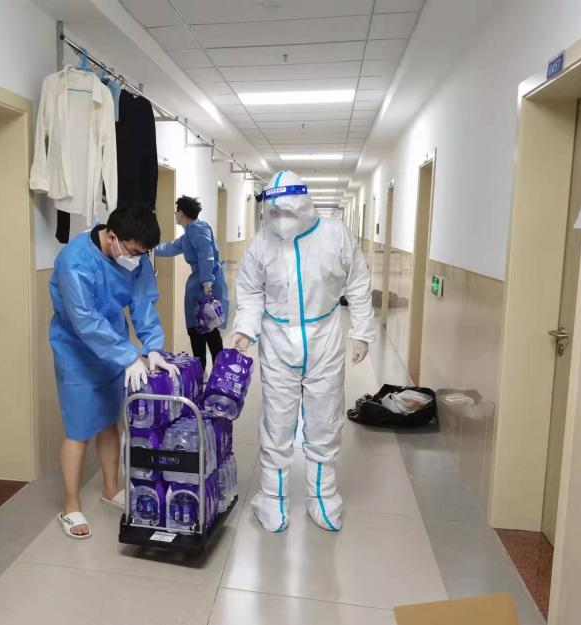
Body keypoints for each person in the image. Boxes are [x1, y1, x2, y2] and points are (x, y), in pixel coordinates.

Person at [232, 170, 374, 533]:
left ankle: (322, 497)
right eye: (275, 212)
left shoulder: (334, 235)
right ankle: (272, 499)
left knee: (325, 421)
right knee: (277, 423)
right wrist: (244, 328)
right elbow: (250, 291)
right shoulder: (261, 245)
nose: (281, 219)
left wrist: (361, 332)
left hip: (324, 337)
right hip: (277, 340)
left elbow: (359, 282)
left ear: (304, 206)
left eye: (288, 211)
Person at [49, 208, 179, 539]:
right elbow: (85, 320)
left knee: (110, 420)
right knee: (79, 428)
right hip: (76, 350)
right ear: (112, 237)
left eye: (142, 253)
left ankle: (111, 488)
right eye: (133, 251)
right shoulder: (74, 262)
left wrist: (152, 347)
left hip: (114, 348)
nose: (136, 258)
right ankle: (70, 505)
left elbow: (143, 303)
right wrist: (127, 356)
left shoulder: (135, 257)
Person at [155, 195, 230, 374]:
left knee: (208, 327)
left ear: (182, 213)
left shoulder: (198, 228)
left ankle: (218, 372)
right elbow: (171, 247)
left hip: (206, 283)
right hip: (198, 283)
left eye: (176, 211)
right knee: (198, 328)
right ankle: (202, 371)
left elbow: (206, 255)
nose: (175, 215)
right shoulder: (188, 233)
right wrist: (148, 249)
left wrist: (206, 281)